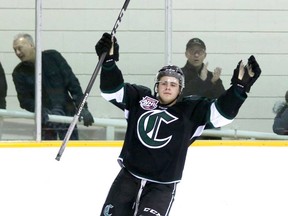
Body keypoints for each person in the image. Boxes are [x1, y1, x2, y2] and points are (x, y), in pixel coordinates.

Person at [95, 33, 261, 216]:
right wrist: (108, 62)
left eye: (173, 84)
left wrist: (238, 89)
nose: (168, 87)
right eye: (164, 83)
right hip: (128, 179)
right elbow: (112, 91)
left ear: (180, 90)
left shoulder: (191, 111)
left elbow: (222, 115)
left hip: (161, 186)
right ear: (156, 86)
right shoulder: (140, 99)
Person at [12, 33, 94, 140]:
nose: (17, 53)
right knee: (47, 153)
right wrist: (40, 109)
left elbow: (73, 83)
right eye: (15, 50)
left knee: (71, 151)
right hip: (45, 120)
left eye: (20, 48)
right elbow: (24, 100)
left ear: (31, 45)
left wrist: (82, 107)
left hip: (67, 116)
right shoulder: (18, 73)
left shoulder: (53, 57)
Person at [181, 38, 226, 139]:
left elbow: (223, 104)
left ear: (204, 55)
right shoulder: (179, 75)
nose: (196, 55)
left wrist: (216, 83)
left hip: (210, 131)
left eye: (199, 52)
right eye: (192, 51)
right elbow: (181, 98)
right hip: (186, 129)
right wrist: (200, 80)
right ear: (186, 54)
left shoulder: (212, 77)